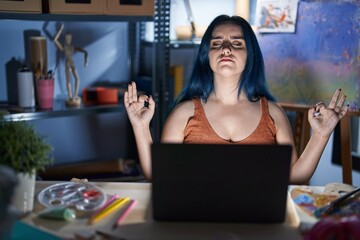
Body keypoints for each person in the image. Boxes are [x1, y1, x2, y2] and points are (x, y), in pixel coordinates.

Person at [124, 15, 348, 184]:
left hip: (259, 224)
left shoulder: (274, 113)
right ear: (206, 55)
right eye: (217, 43)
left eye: (237, 43)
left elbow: (294, 178)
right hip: (197, 223)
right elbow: (159, 176)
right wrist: (141, 126)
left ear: (250, 55)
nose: (226, 49)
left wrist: (320, 134)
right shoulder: (183, 114)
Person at [53, 23, 88, 107]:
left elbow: (85, 51)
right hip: (67, 64)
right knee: (68, 81)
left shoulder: (72, 47)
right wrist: (60, 30)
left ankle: (75, 95)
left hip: (72, 63)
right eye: (67, 38)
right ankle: (70, 96)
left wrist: (86, 60)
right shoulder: (64, 47)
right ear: (65, 39)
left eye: (70, 38)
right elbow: (55, 40)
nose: (68, 39)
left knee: (77, 79)